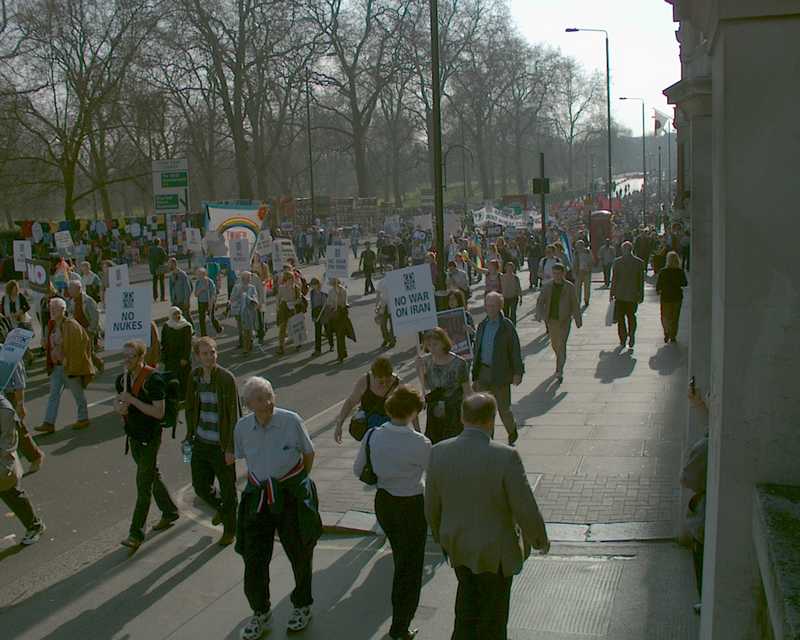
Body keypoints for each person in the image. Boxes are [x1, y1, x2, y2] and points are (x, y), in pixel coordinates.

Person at [425, 393, 550, 640]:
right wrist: (539, 540)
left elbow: (431, 504)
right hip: (496, 554)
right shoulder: (506, 456)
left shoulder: (439, 452)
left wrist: (440, 536)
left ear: (462, 418)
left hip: (458, 546)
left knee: (466, 608)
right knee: (493, 618)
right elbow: (524, 507)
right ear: (492, 420)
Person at [234, 377, 321, 637]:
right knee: (254, 558)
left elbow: (308, 453)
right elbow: (242, 458)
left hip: (290, 495)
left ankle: (302, 606)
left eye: (270, 395)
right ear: (249, 404)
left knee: (300, 552)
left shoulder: (291, 421)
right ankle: (261, 612)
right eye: (261, 399)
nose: (268, 402)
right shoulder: (242, 428)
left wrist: (296, 482)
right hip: (258, 497)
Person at [353, 385, 431, 640]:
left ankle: (399, 619)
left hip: (384, 502)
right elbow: (433, 475)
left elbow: (358, 469)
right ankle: (400, 626)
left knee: (400, 554)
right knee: (411, 567)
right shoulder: (420, 443)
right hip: (411, 505)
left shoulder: (372, 435)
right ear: (413, 412)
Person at [115, 340, 179, 551]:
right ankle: (170, 511)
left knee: (143, 485)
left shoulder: (153, 380)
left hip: (150, 437)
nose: (126, 360)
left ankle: (136, 533)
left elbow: (158, 412)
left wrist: (132, 401)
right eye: (124, 355)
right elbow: (119, 402)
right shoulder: (122, 379)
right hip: (133, 435)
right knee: (151, 475)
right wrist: (119, 408)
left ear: (141, 357)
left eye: (131, 356)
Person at [185, 337, 240, 546]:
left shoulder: (226, 379)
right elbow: (190, 408)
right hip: (200, 441)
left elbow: (234, 415)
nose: (210, 357)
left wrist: (231, 448)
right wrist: (189, 435)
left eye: (213, 352)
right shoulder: (194, 376)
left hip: (221, 445)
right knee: (200, 486)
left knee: (228, 490)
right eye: (205, 353)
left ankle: (230, 530)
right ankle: (224, 511)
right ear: (197, 356)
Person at [471, 292, 523, 445]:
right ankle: (489, 438)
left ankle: (512, 430)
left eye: (493, 306)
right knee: (486, 410)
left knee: (504, 409)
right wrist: (475, 375)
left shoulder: (506, 326)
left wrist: (518, 372)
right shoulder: (482, 325)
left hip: (501, 373)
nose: (490, 309)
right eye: (488, 306)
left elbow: (515, 350)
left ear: (500, 306)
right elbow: (477, 350)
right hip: (484, 372)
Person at [36, 297, 94, 434]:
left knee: (78, 394)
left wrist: (69, 360)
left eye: (55, 308)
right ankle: (49, 423)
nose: (51, 311)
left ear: (63, 309)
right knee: (53, 395)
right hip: (56, 367)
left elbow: (82, 344)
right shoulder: (51, 324)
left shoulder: (71, 325)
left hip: (69, 366)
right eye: (51, 308)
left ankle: (83, 418)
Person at [0, 392, 46, 545]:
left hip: (2, 461)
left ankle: (35, 526)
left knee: (11, 494)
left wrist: (4, 465)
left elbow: (8, 442)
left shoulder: (4, 410)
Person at [416, 328, 471, 444]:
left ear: (444, 342)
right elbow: (427, 386)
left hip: (454, 410)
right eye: (429, 345)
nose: (432, 348)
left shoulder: (459, 363)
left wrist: (466, 414)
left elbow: (467, 391)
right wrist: (420, 370)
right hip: (435, 411)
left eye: (435, 344)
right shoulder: (427, 361)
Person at [334, 357, 400, 443]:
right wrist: (339, 425)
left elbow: (410, 407)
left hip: (389, 431)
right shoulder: (365, 381)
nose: (384, 385)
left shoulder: (397, 384)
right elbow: (350, 402)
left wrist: (416, 430)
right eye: (380, 382)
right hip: (368, 431)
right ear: (374, 376)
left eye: (388, 381)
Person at [535, 264, 582, 383]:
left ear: (563, 274)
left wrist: (578, 319)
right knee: (555, 345)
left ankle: (559, 370)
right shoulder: (547, 286)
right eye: (554, 273)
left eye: (558, 273)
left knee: (562, 345)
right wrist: (539, 314)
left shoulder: (569, 287)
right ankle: (560, 359)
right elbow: (540, 301)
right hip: (551, 321)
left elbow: (575, 303)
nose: (556, 276)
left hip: (564, 321)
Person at [2, 356, 44, 475]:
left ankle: (36, 456)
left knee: (18, 429)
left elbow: (19, 383)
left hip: (9, 397)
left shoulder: (11, 354)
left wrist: (20, 404)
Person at [610, 241, 646, 349]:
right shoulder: (639, 262)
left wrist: (612, 293)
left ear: (622, 250)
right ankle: (631, 334)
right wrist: (641, 295)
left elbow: (614, 279)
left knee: (621, 318)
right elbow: (641, 281)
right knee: (631, 316)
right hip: (633, 294)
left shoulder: (617, 262)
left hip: (620, 294)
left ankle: (623, 338)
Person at [66, 280, 103, 372]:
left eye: (71, 288)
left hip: (87, 329)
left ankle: (95, 367)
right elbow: (70, 314)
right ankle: (92, 367)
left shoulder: (88, 301)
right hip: (78, 330)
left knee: (88, 351)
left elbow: (95, 316)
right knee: (83, 351)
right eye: (69, 288)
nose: (69, 291)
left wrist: (91, 330)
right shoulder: (72, 301)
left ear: (78, 289)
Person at [656, 251, 688, 343]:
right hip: (677, 296)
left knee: (665, 316)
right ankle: (673, 335)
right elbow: (684, 283)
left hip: (665, 296)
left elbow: (659, 284)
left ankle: (666, 331)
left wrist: (658, 290)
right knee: (675, 317)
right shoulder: (680, 271)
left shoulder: (663, 271)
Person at [161, 306, 193, 396]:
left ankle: (184, 397)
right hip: (170, 358)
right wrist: (163, 357)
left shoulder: (186, 326)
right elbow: (163, 342)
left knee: (183, 379)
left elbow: (188, 344)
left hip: (182, 358)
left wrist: (185, 358)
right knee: (170, 379)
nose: (177, 316)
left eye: (178, 313)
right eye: (174, 314)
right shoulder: (166, 326)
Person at [230, 271, 260, 354]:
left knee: (248, 328)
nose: (249, 280)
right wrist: (239, 293)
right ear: (242, 279)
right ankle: (243, 343)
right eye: (247, 278)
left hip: (249, 311)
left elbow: (255, 298)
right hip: (239, 311)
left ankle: (248, 344)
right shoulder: (237, 287)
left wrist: (251, 299)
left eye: (249, 278)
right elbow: (232, 298)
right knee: (241, 328)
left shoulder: (252, 287)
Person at [276, 270, 301, 356]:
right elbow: (278, 298)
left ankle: (297, 343)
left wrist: (294, 303)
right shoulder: (281, 288)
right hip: (283, 307)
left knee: (294, 326)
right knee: (282, 328)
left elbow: (299, 299)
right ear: (286, 279)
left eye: (292, 278)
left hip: (292, 307)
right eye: (290, 279)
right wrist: (277, 307)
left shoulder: (296, 288)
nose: (291, 280)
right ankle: (281, 347)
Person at [326, 277, 349, 363]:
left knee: (340, 334)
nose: (334, 284)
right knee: (338, 334)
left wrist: (339, 297)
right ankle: (343, 352)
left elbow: (344, 303)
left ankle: (341, 354)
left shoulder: (343, 290)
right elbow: (329, 302)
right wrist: (332, 306)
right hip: (334, 315)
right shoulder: (331, 291)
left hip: (342, 314)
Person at [309, 278, 333, 356]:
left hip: (324, 312)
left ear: (317, 284)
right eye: (312, 285)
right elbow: (312, 304)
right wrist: (313, 315)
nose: (313, 287)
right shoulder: (312, 292)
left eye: (314, 285)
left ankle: (331, 345)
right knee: (317, 332)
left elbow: (328, 301)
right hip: (316, 313)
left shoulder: (324, 291)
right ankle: (318, 350)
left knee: (328, 330)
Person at [194, 267, 219, 337]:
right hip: (201, 302)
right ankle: (203, 334)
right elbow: (196, 294)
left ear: (204, 274)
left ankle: (218, 329)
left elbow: (213, 294)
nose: (198, 276)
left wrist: (211, 304)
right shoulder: (198, 282)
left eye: (199, 274)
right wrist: (201, 289)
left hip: (209, 301)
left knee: (212, 317)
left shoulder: (209, 281)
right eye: (197, 274)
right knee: (201, 318)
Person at [376, 267, 396, 349]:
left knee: (393, 325)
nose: (388, 272)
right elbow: (378, 295)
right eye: (387, 270)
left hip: (394, 305)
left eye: (390, 270)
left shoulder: (396, 281)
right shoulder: (381, 282)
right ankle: (386, 338)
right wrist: (376, 305)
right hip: (384, 305)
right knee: (383, 325)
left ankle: (392, 340)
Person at [168, 257, 193, 324]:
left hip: (183, 301)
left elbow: (188, 288)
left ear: (174, 264)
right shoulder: (171, 276)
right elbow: (171, 289)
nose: (169, 266)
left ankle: (192, 329)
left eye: (170, 264)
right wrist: (172, 300)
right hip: (175, 301)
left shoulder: (182, 274)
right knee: (177, 320)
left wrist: (186, 301)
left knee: (187, 318)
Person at [572, 239, 594, 305]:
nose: (578, 247)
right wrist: (574, 272)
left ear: (583, 245)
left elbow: (592, 261)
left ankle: (586, 299)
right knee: (577, 288)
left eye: (580, 245)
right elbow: (573, 263)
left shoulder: (588, 252)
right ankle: (578, 301)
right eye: (577, 246)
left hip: (587, 272)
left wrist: (589, 268)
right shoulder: (576, 253)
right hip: (578, 272)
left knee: (587, 287)